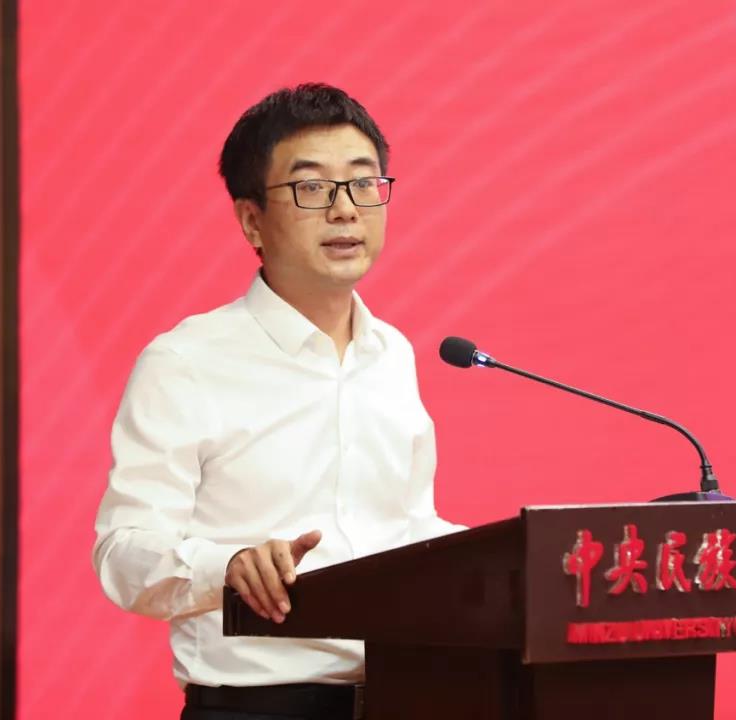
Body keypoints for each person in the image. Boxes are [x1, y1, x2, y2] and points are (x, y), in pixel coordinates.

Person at [92, 83, 463, 720]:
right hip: (258, 708)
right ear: (251, 220)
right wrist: (229, 566)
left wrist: (521, 554)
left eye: (364, 183)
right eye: (312, 187)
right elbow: (123, 554)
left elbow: (407, 531)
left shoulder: (391, 354)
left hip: (406, 698)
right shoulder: (186, 362)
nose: (345, 210)